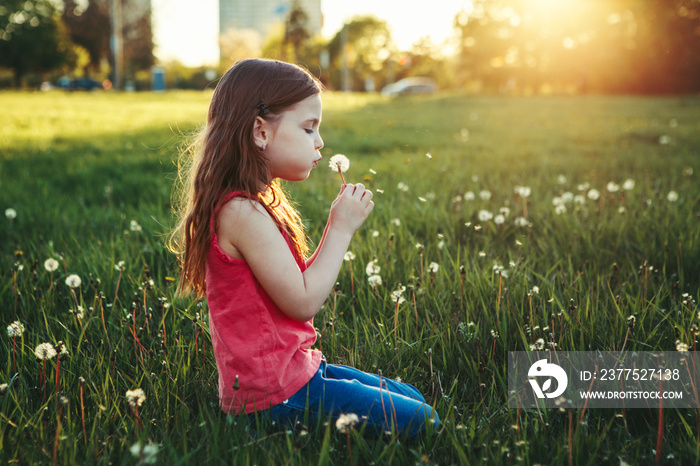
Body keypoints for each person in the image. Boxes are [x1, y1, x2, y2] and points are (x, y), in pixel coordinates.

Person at [171, 58, 438, 436]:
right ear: (260, 132)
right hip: (273, 396)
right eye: (309, 128)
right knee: (424, 421)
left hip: (297, 370)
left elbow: (291, 284)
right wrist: (339, 229)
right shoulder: (241, 212)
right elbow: (302, 301)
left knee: (410, 396)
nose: (320, 142)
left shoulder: (248, 204)